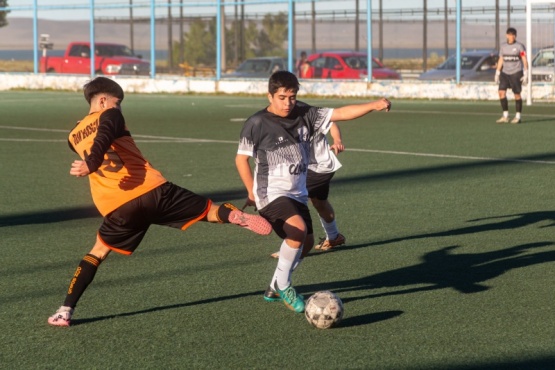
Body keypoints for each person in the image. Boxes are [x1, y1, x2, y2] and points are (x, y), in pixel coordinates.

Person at [47, 76, 272, 327]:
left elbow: (96, 140)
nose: (119, 107)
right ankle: (235, 216)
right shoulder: (110, 115)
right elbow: (105, 134)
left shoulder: (73, 136)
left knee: (97, 253)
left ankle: (65, 310)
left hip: (119, 207)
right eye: (117, 102)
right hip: (154, 190)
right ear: (102, 100)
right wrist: (93, 161)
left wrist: (90, 161)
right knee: (209, 210)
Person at [235, 71, 391, 313]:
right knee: (297, 230)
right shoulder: (256, 123)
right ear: (270, 96)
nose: (288, 103)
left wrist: (374, 105)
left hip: (296, 192)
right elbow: (241, 160)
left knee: (305, 243)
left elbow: (340, 114)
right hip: (270, 193)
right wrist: (251, 192)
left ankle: (275, 286)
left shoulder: (305, 113)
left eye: (292, 97)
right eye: (282, 97)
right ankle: (285, 286)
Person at [269, 121, 346, 259]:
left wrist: (337, 140)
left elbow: (332, 124)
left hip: (319, 168)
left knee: (292, 200)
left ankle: (295, 244)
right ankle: (334, 236)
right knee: (319, 202)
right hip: (311, 168)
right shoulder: (281, 121)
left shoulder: (310, 115)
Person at [495, 27, 528, 124]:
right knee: (501, 93)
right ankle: (505, 116)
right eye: (509, 35)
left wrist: (526, 72)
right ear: (506, 35)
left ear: (515, 36)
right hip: (505, 73)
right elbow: (501, 59)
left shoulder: (520, 46)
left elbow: (524, 59)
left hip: (516, 73)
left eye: (513, 35)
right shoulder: (503, 46)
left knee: (517, 94)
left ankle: (518, 116)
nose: (511, 36)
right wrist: (497, 72)